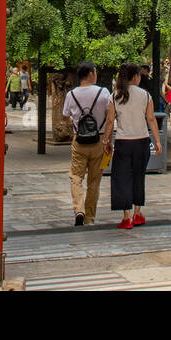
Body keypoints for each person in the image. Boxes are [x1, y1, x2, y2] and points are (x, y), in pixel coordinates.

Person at [109, 61, 161, 229]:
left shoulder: (115, 95)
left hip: (123, 142)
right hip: (142, 141)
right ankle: (138, 213)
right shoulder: (145, 95)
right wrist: (158, 141)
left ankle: (126, 217)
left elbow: (110, 121)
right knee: (139, 176)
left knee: (122, 178)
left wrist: (106, 141)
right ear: (136, 77)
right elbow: (151, 119)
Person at [63, 61, 114, 227]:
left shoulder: (72, 94)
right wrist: (107, 140)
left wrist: (76, 119)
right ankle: (90, 217)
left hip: (79, 140)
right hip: (99, 140)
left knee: (76, 176)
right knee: (94, 181)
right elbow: (110, 118)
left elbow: (65, 115)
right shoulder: (103, 93)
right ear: (91, 74)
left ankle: (79, 208)